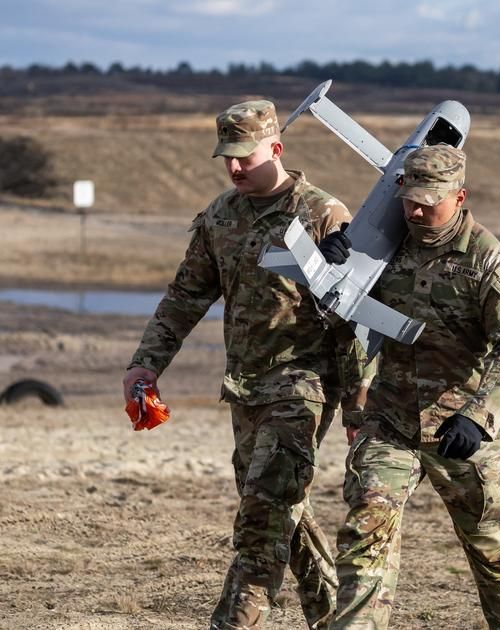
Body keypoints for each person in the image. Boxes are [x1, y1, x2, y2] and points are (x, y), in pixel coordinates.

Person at [123, 100, 365, 629]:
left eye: (244, 157)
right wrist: (145, 365)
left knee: (261, 523)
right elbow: (185, 297)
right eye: (226, 158)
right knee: (284, 515)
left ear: (275, 149)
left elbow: (354, 321)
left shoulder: (323, 215)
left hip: (301, 388)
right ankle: (338, 620)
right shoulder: (220, 217)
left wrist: (357, 402)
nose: (234, 168)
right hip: (245, 390)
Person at [321, 145, 500, 629]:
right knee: (365, 531)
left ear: (459, 197)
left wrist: (481, 416)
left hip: (463, 432)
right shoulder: (382, 245)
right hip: (391, 422)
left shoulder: (486, 260)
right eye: (409, 201)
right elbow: (338, 318)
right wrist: (336, 266)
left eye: (429, 203)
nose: (416, 212)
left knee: (492, 549)